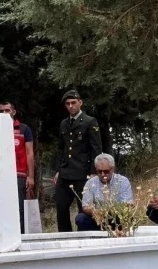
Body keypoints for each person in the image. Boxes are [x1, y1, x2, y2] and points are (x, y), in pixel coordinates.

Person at [53, 90, 102, 232]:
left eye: (73, 103)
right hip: (65, 172)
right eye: (68, 104)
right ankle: (64, 236)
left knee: (84, 208)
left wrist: (94, 172)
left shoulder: (89, 121)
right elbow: (61, 149)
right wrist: (57, 170)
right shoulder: (64, 123)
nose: (71, 106)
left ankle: (84, 236)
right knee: (61, 207)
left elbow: (96, 149)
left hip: (82, 172)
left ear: (80, 102)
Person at [0, 101, 35, 234]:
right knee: (2, 208)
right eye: (1, 111)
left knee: (19, 208)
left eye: (7, 110)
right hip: (1, 176)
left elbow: (30, 153)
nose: (4, 113)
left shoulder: (24, 129)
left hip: (19, 175)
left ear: (13, 112)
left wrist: (31, 176)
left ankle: (21, 237)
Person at [76, 153, 133, 231]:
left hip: (117, 217)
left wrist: (110, 211)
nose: (103, 174)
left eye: (106, 171)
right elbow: (85, 206)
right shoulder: (90, 183)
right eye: (99, 171)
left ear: (112, 169)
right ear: (96, 169)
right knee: (80, 218)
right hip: (97, 218)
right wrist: (95, 212)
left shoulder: (122, 181)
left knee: (129, 217)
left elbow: (127, 204)